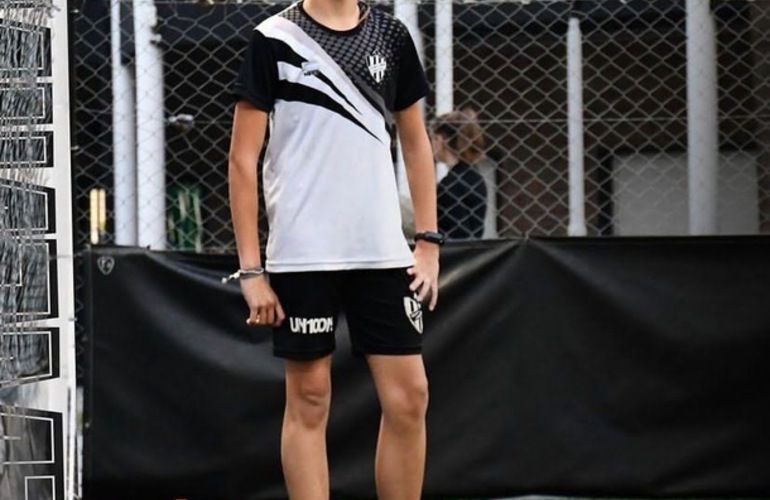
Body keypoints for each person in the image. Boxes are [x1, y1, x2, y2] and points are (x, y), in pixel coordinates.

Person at [228, 1, 441, 499]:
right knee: (309, 397)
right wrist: (251, 271)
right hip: (303, 255)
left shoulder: (391, 35)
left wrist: (427, 241)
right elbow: (242, 159)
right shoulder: (273, 38)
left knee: (410, 398)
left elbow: (415, 141)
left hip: (383, 253)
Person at [432, 110, 488, 240]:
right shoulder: (476, 178)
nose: (432, 144)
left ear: (441, 140)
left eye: (434, 138)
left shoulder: (450, 185)